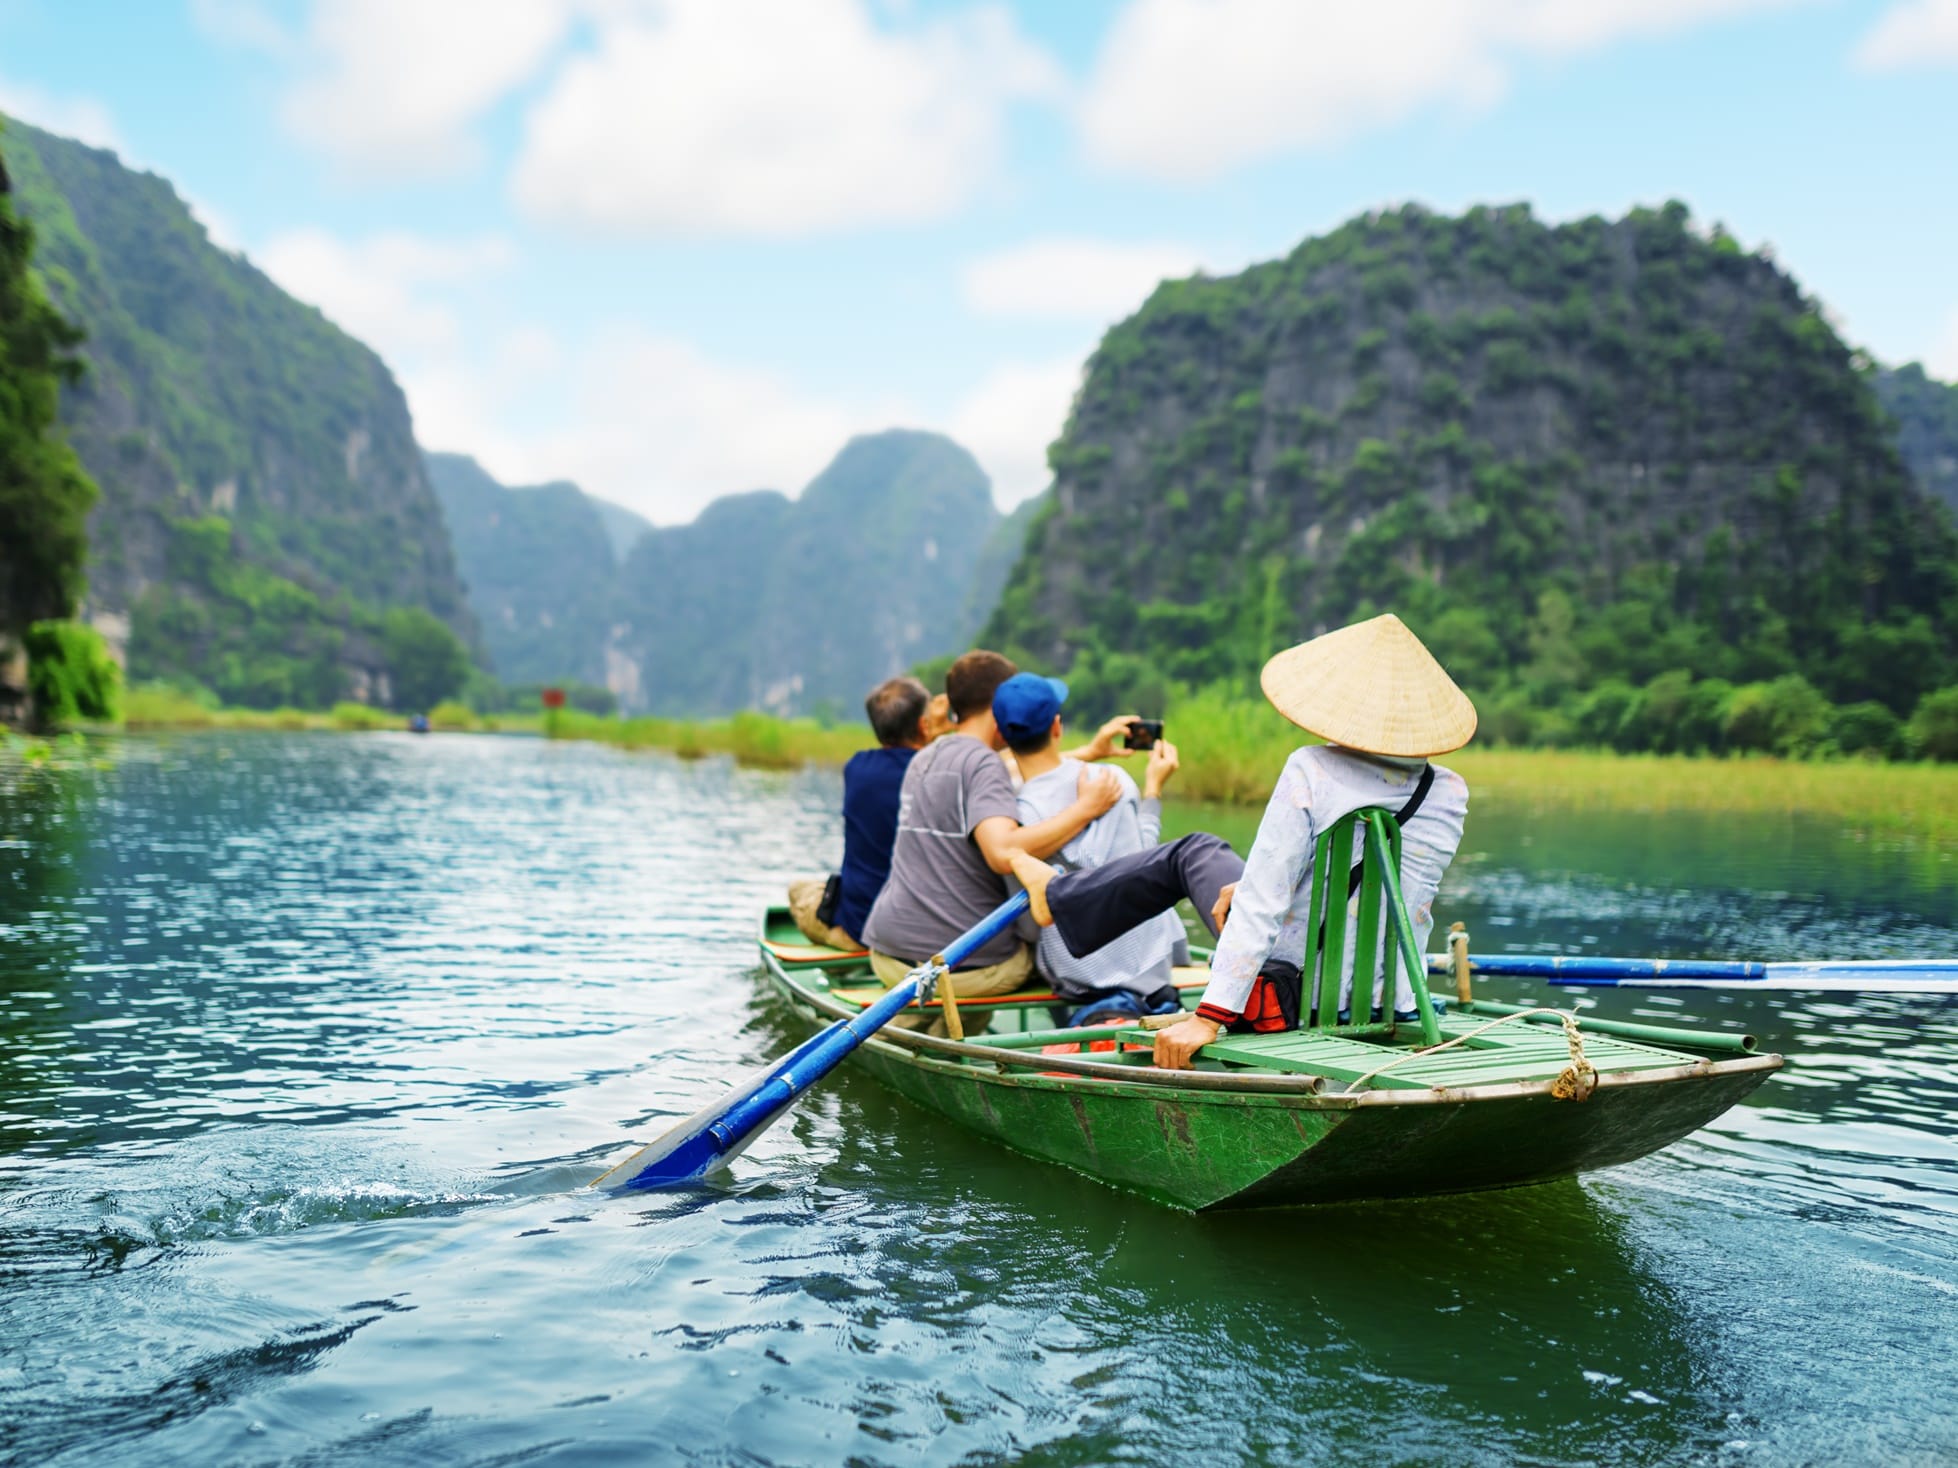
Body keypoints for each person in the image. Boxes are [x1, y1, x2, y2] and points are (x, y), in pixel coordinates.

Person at [1009, 613, 1473, 1069]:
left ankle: (1055, 896)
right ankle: (1058, 896)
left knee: (1194, 851)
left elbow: (1264, 903)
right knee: (1222, 870)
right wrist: (1254, 884)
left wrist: (1211, 1016)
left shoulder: (1312, 769)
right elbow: (1379, 889)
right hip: (1389, 999)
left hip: (1292, 994)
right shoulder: (1450, 792)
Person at [859, 650, 1125, 1032]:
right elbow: (1003, 851)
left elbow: (999, 771)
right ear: (999, 703)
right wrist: (1086, 807)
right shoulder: (984, 765)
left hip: (887, 952)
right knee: (1058, 954)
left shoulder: (928, 755)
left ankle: (926, 1026)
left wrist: (1089, 752)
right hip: (959, 966)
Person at [992, 672, 1188, 1021]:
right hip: (1149, 968)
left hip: (1078, 978)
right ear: (1057, 726)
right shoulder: (1112, 781)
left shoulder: (1007, 815)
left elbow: (1027, 924)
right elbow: (1146, 863)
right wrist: (1153, 789)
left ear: (1001, 734)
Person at [787, 675, 932, 950]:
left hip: (860, 928)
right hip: (921, 927)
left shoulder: (857, 768)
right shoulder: (938, 773)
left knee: (798, 889)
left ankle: (839, 937)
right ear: (923, 726)